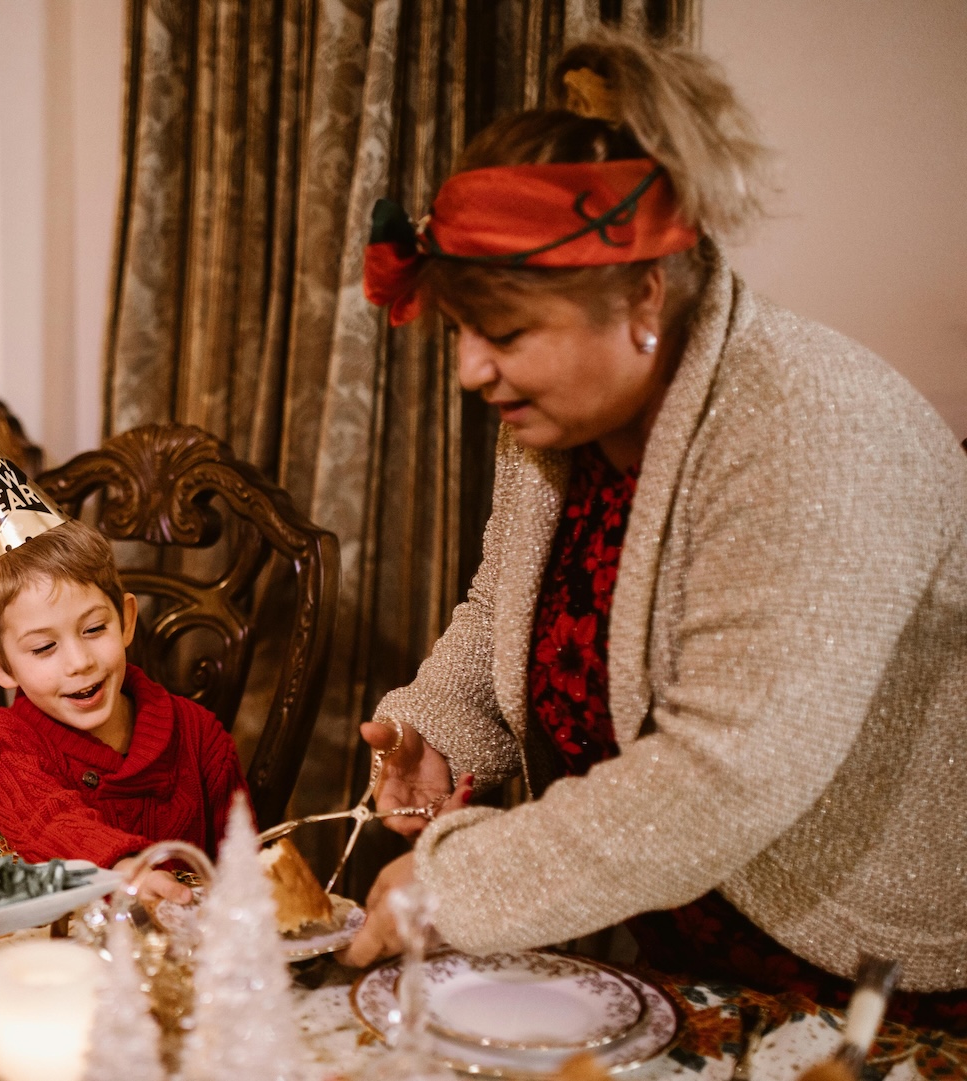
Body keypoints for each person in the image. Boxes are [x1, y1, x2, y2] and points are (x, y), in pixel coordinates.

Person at [341, 31, 967, 1023]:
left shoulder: (817, 428)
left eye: (504, 334)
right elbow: (506, 596)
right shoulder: (563, 425)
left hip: (869, 978)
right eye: (460, 330)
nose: (469, 371)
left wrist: (460, 882)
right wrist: (442, 725)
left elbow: (725, 774)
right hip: (672, 949)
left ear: (641, 295)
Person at [0, 402, 248, 906]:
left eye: (94, 629)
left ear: (126, 620)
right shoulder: (3, 750)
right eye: (43, 647)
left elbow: (245, 874)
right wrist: (123, 867)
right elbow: (50, 821)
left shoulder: (202, 741)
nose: (79, 662)